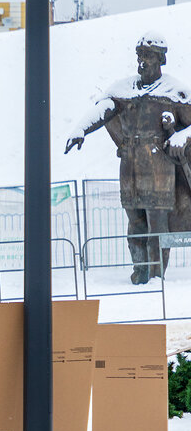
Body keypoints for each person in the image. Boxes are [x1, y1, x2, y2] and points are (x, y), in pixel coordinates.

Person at [65, 33, 191, 284]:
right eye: (140, 56)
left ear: (161, 59)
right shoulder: (125, 90)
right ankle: (140, 270)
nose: (142, 61)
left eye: (149, 56)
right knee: (134, 221)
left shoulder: (173, 91)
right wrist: (82, 129)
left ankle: (155, 274)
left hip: (159, 166)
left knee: (157, 223)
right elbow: (104, 109)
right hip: (130, 164)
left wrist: (184, 136)